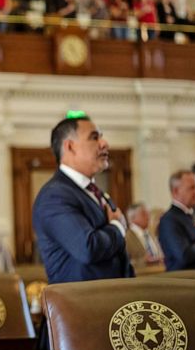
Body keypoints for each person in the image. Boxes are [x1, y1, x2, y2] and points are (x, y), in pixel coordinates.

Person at [32, 115, 131, 284]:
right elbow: (88, 248)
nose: (104, 143)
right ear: (70, 146)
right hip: (82, 305)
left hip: (114, 299)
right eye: (94, 137)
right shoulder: (54, 195)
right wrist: (117, 226)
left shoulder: (94, 192)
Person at [157, 170, 195, 271]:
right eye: (192, 188)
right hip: (186, 283)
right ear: (176, 191)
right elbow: (184, 256)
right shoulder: (169, 220)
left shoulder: (191, 216)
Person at [124, 203, 164, 270]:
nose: (148, 216)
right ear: (132, 218)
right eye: (143, 214)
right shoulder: (126, 237)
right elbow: (125, 262)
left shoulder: (151, 233)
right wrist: (143, 261)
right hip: (141, 276)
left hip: (159, 272)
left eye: (147, 213)